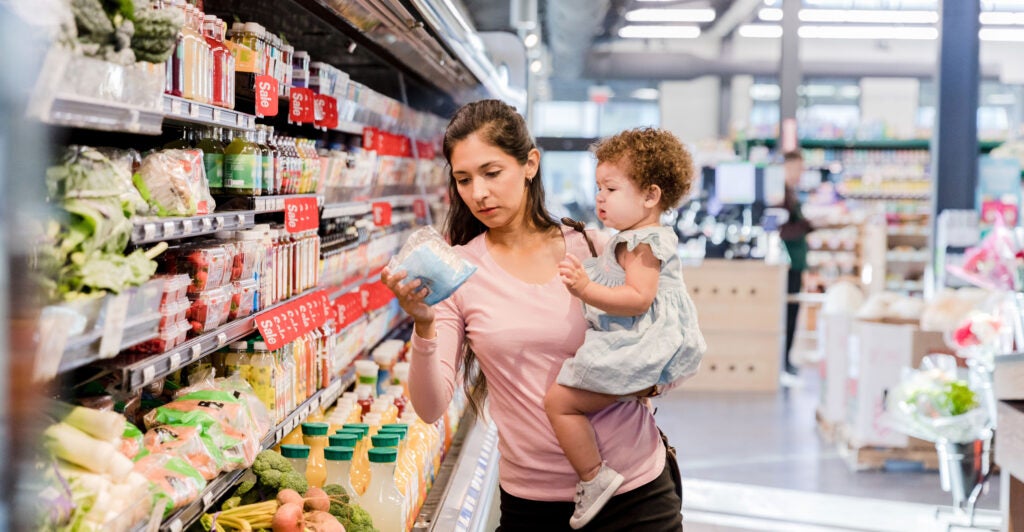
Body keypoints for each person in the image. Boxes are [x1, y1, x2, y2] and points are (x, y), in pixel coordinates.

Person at [382, 100, 684, 531]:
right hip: (533, 504)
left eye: (492, 172)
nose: (478, 193)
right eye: (464, 179)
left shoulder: (596, 247)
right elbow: (430, 408)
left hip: (634, 493)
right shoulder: (457, 271)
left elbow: (669, 338)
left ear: (530, 164)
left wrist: (649, 378)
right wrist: (423, 323)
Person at [546, 128, 705, 528]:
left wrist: (586, 288)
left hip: (643, 342)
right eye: (598, 187)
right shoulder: (631, 237)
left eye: (611, 188)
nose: (600, 197)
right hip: (644, 339)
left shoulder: (643, 243)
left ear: (650, 196)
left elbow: (638, 298)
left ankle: (593, 476)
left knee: (561, 403)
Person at [778, 150, 811, 379]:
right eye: (798, 168)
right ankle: (783, 362)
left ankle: (786, 360)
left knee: (792, 312)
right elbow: (783, 230)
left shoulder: (790, 193)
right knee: (788, 313)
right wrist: (809, 224)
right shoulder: (779, 195)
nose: (800, 173)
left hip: (796, 263)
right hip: (788, 265)